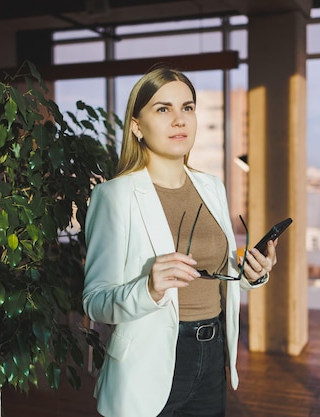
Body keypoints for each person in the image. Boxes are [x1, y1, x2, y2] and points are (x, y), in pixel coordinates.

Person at [82, 67, 278, 417]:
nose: (179, 120)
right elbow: (95, 302)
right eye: (163, 109)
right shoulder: (114, 196)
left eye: (187, 108)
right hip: (148, 362)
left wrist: (249, 274)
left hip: (212, 353)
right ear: (137, 126)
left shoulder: (212, 187)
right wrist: (149, 289)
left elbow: (216, 274)